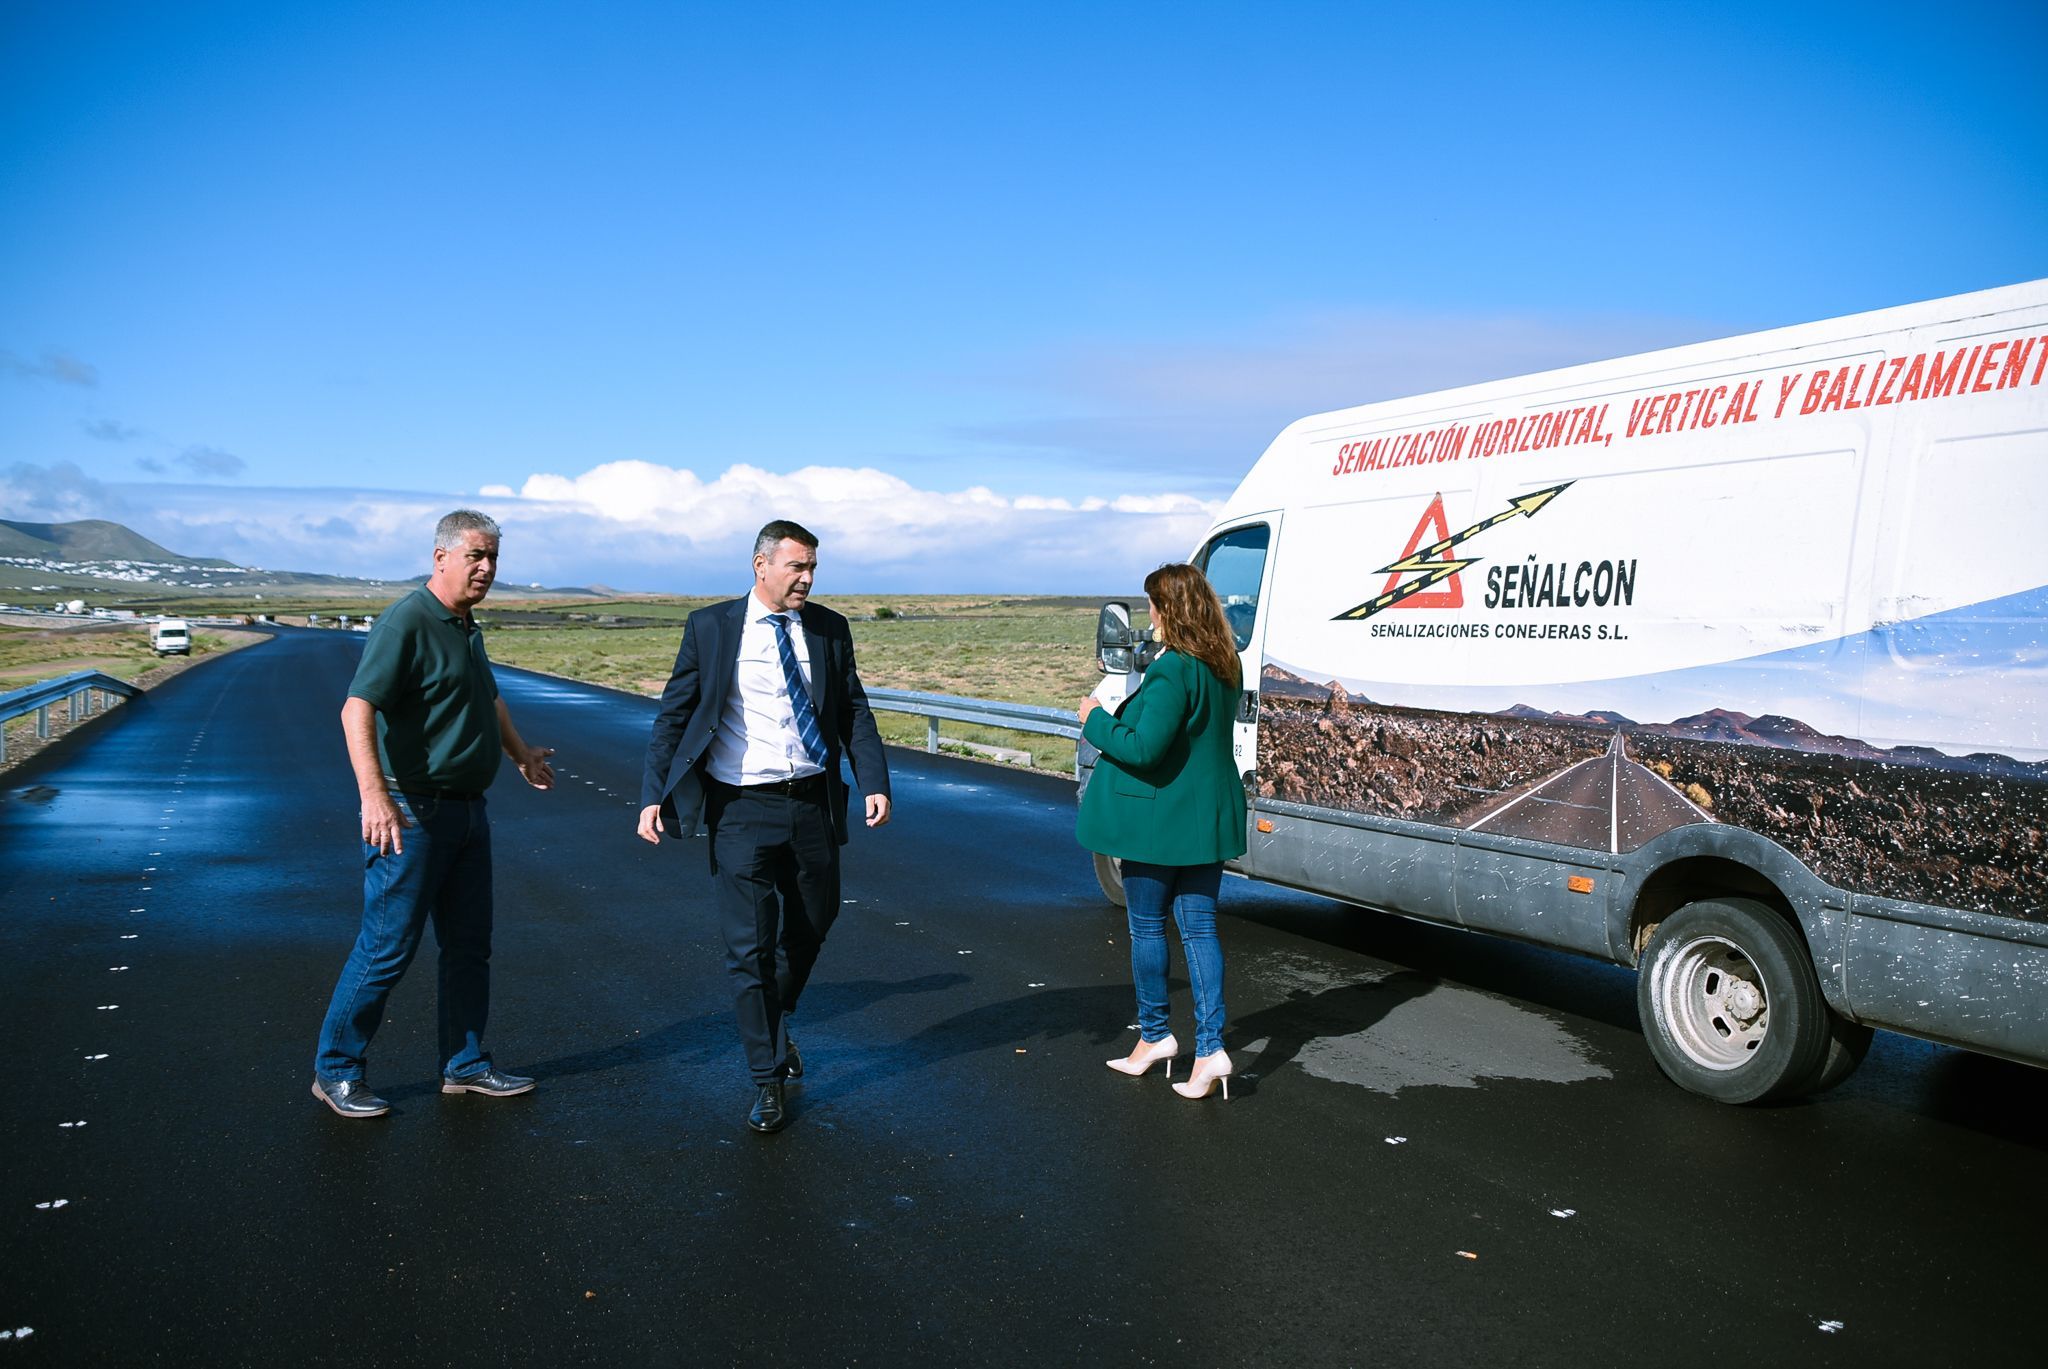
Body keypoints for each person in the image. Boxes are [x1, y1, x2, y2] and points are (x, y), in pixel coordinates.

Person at [638, 519, 892, 1133]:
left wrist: (875, 778)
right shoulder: (712, 626)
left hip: (813, 803)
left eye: (812, 569)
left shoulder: (830, 628)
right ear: (761, 565)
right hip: (741, 810)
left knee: (814, 922)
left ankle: (773, 1022)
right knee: (748, 949)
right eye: (795, 567)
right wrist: (652, 795)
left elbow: (852, 707)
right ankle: (767, 1077)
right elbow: (675, 715)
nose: (805, 578)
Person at [312, 510, 556, 1119]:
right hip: (414, 813)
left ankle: (466, 1065)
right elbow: (356, 709)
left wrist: (519, 752)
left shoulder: (464, 624)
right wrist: (375, 795)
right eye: (475, 555)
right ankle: (335, 1071)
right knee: (387, 947)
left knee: (470, 947)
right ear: (440, 556)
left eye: (493, 557)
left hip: (469, 813)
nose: (486, 568)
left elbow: (485, 696)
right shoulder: (408, 621)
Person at [1077, 562, 1248, 1101]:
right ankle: (1210, 1049)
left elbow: (1146, 747)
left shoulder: (1173, 668)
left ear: (1169, 610)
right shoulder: (1226, 664)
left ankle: (1154, 1037)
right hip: (1208, 819)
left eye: (1152, 604)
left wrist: (1094, 719)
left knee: (1147, 926)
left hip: (1159, 822)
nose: (1148, 613)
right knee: (1200, 930)